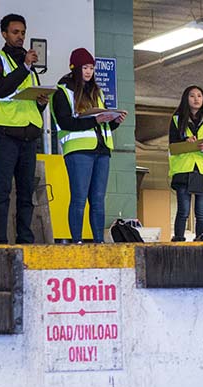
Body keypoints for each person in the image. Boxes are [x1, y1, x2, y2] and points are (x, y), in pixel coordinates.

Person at [0, 13, 49, 244]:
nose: (20, 36)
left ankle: (25, 239)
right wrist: (25, 66)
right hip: (6, 137)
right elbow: (0, 89)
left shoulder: (29, 67)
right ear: (4, 34)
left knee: (25, 193)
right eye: (15, 32)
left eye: (22, 32)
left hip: (29, 137)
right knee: (2, 190)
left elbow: (27, 104)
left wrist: (40, 103)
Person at [52, 48, 124, 243]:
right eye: (85, 67)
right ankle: (77, 241)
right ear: (75, 67)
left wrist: (114, 120)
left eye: (91, 67)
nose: (89, 71)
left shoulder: (96, 92)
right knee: (79, 198)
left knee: (98, 200)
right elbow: (66, 122)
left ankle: (99, 241)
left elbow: (101, 124)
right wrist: (96, 120)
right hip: (78, 151)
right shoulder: (62, 92)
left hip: (101, 150)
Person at [168, 85, 203, 241]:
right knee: (183, 210)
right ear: (186, 99)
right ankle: (178, 239)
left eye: (199, 96)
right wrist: (185, 141)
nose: (196, 99)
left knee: (201, 212)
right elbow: (172, 144)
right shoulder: (177, 120)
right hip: (184, 169)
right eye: (192, 96)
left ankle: (201, 240)